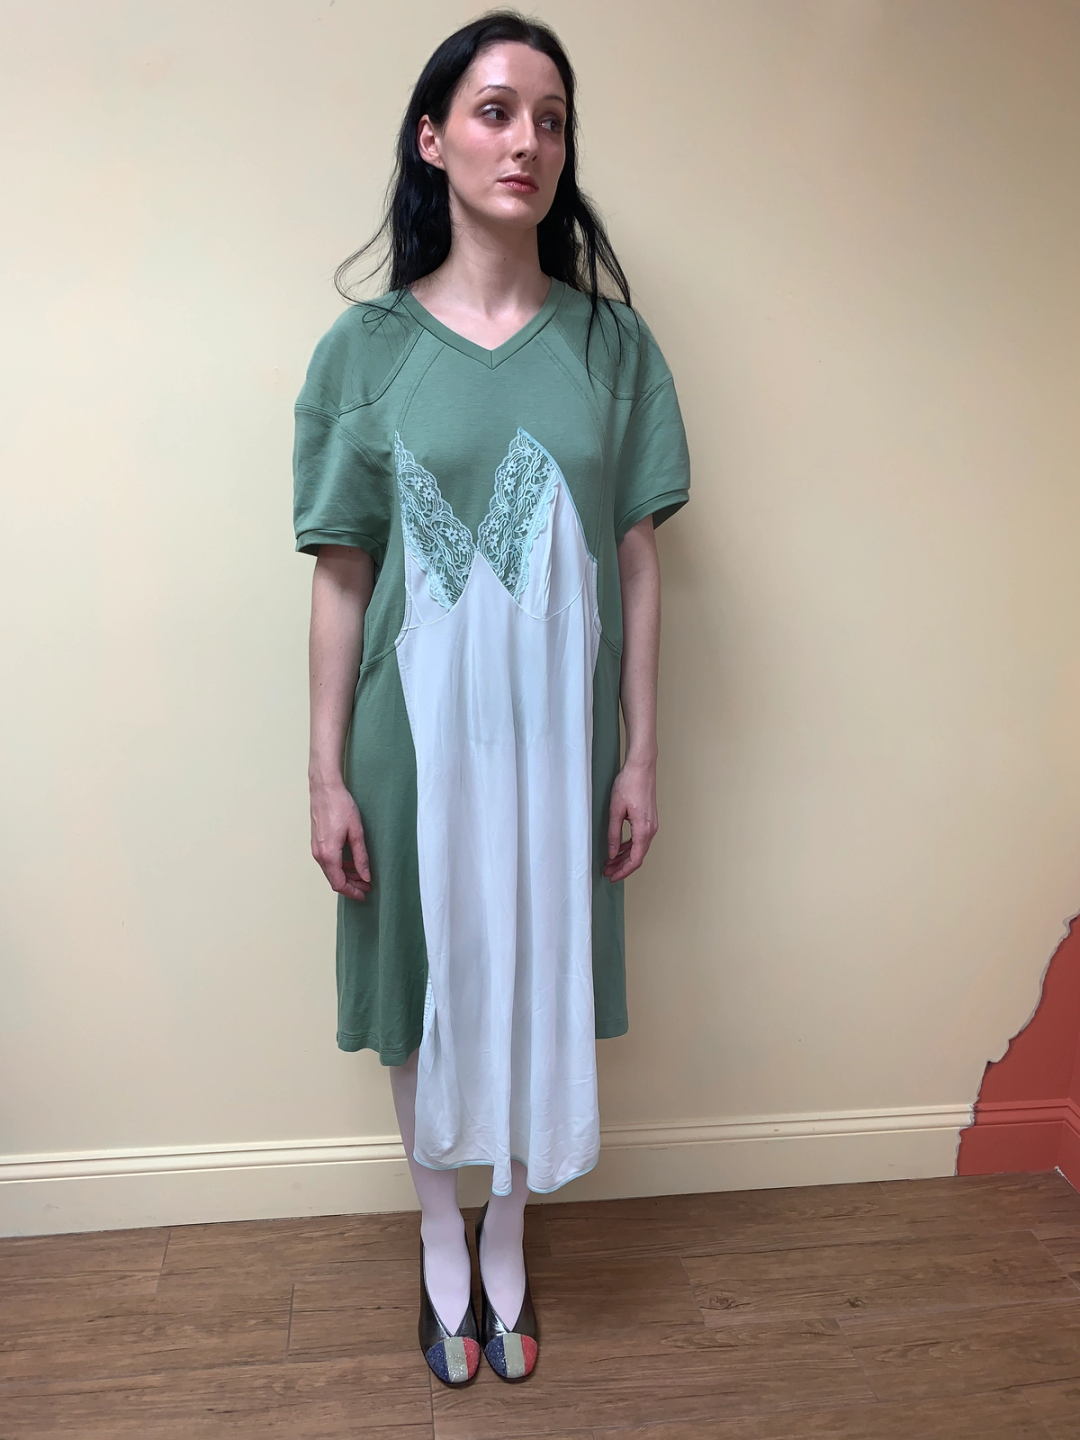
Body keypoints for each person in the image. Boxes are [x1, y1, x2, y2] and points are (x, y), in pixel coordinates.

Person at [293, 9, 691, 1387]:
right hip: (412, 735)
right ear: (434, 138)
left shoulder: (610, 349)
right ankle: (439, 1240)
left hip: (557, 738)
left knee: (535, 964)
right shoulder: (365, 352)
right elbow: (343, 575)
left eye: (551, 119)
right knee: (425, 973)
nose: (527, 140)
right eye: (496, 110)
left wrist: (639, 754)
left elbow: (636, 559)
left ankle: (510, 1232)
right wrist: (325, 772)